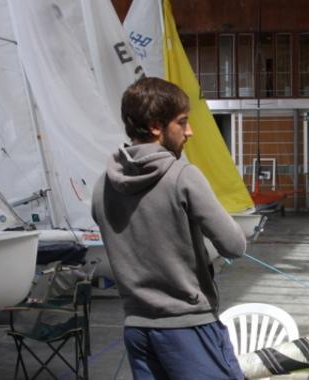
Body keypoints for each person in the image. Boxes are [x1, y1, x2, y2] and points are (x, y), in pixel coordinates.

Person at [92, 77, 246, 380]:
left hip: (137, 329)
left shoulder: (103, 186)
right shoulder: (183, 176)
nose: (189, 132)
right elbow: (235, 246)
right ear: (155, 126)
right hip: (187, 328)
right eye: (182, 122)